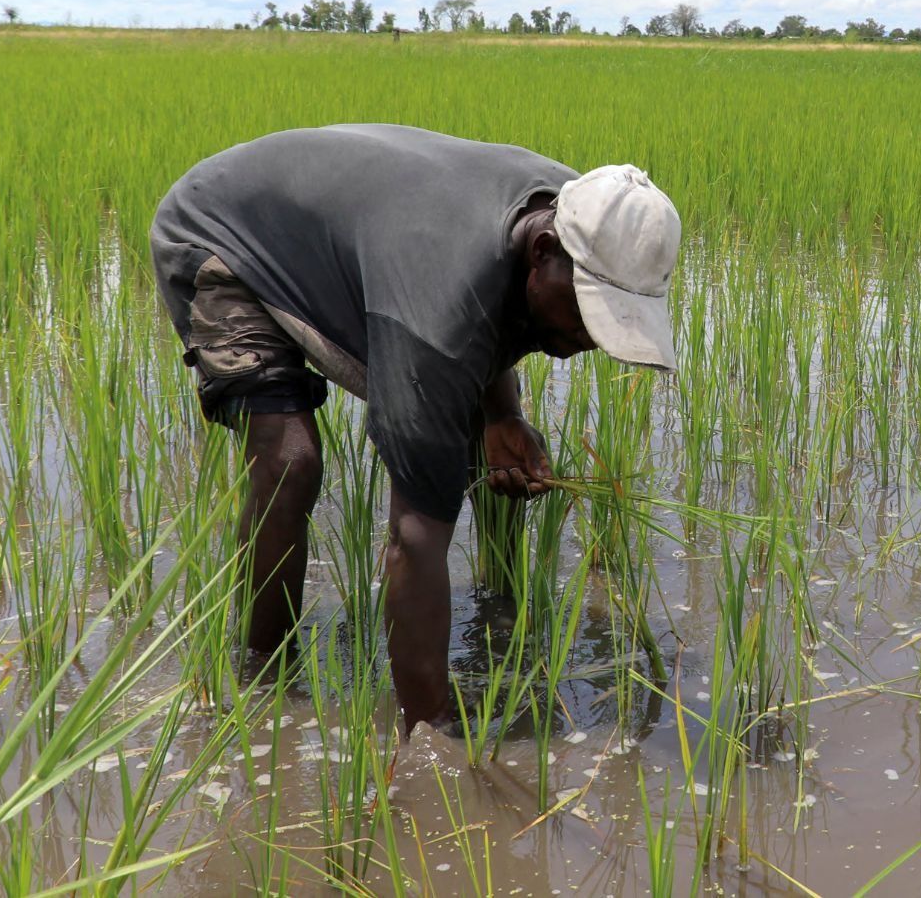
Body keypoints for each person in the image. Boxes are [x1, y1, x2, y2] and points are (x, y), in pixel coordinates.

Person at [149, 124, 680, 733]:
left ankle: (497, 607)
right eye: (589, 310)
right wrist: (434, 737)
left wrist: (502, 415)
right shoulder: (439, 314)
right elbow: (413, 542)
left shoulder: (590, 212)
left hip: (369, 227)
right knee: (289, 463)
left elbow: (493, 305)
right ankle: (265, 675)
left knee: (486, 437)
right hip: (221, 233)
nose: (592, 338)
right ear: (542, 253)